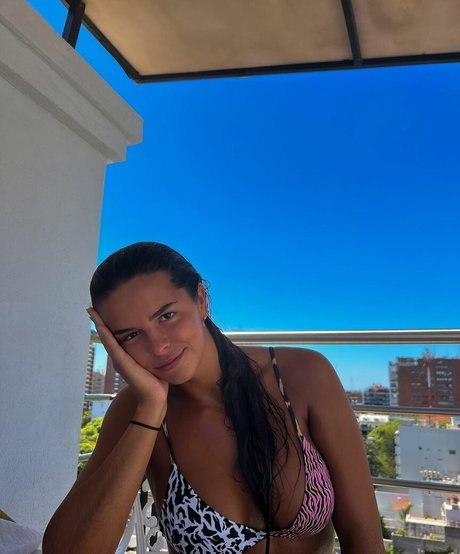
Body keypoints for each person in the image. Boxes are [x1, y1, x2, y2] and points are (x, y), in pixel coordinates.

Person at [43, 242, 385, 554]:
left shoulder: (302, 376)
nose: (159, 347)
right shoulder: (135, 411)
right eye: (131, 335)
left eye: (167, 316)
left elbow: (365, 541)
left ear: (201, 300)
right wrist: (150, 409)